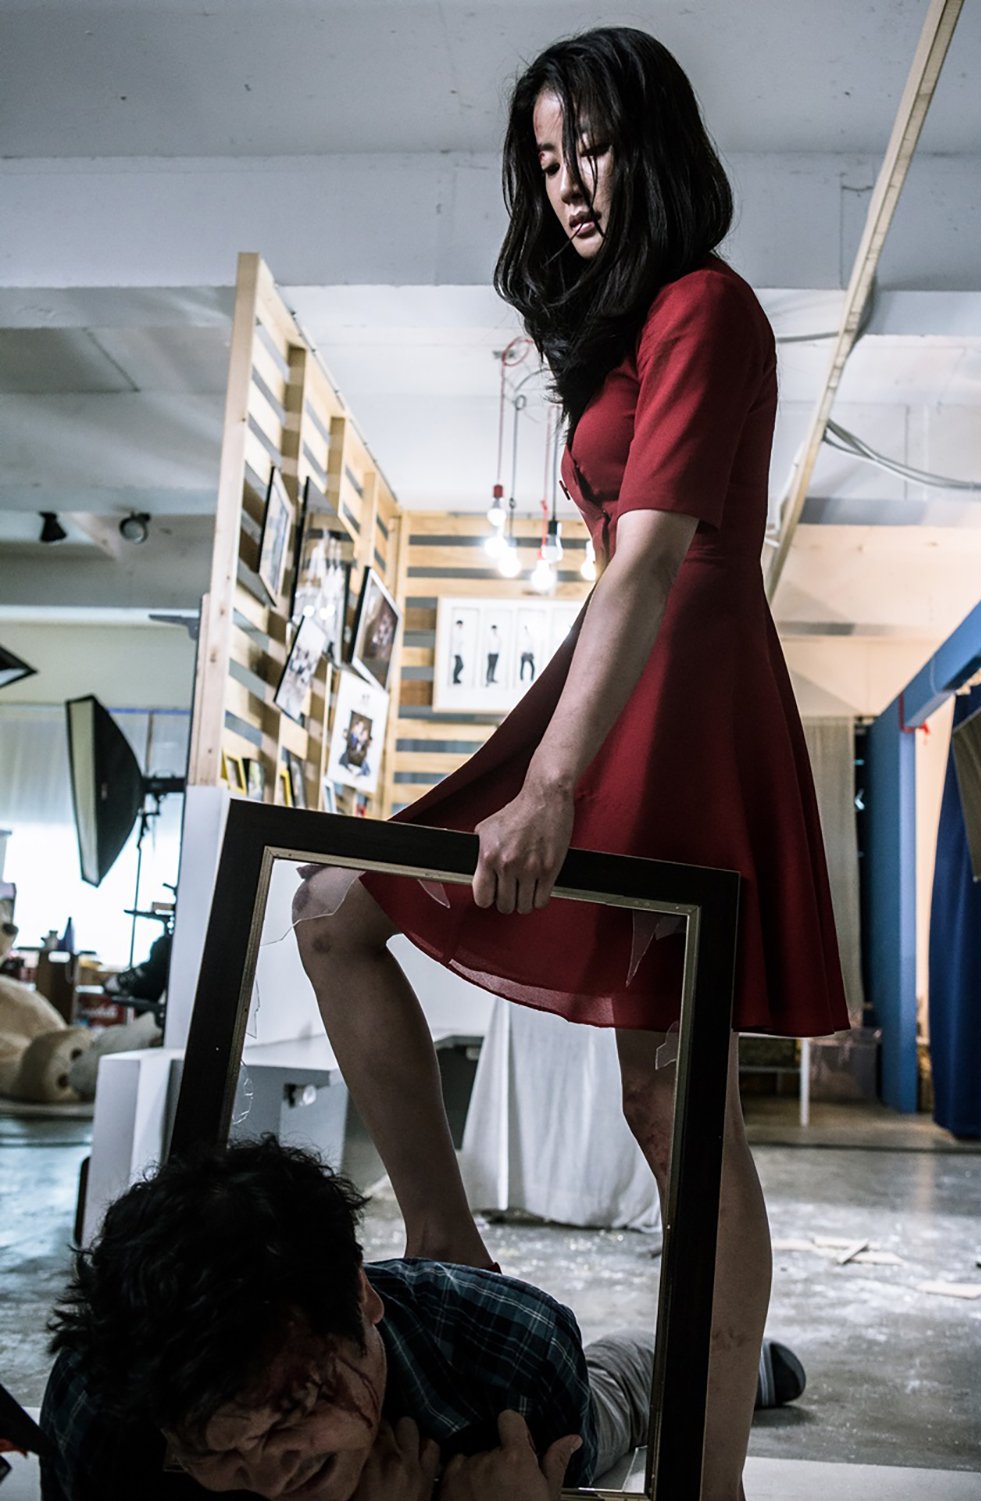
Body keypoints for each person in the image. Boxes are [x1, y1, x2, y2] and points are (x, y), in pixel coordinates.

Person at [292, 27, 846, 1501]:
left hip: (684, 682)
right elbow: (621, 569)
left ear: (651, 144)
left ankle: (708, 1476)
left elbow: (652, 559)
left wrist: (551, 783)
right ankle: (452, 1257)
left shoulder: (707, 304)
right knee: (334, 907)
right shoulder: (633, 321)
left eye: (590, 147)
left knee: (672, 1100)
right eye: (547, 160)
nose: (570, 183)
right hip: (622, 669)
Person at [39, 1138, 647, 1500]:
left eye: (294, 1413)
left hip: (558, 1383)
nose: (270, 1479)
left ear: (361, 1296)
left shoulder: (512, 1349)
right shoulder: (106, 1392)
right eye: (215, 1451)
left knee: (624, 1383)